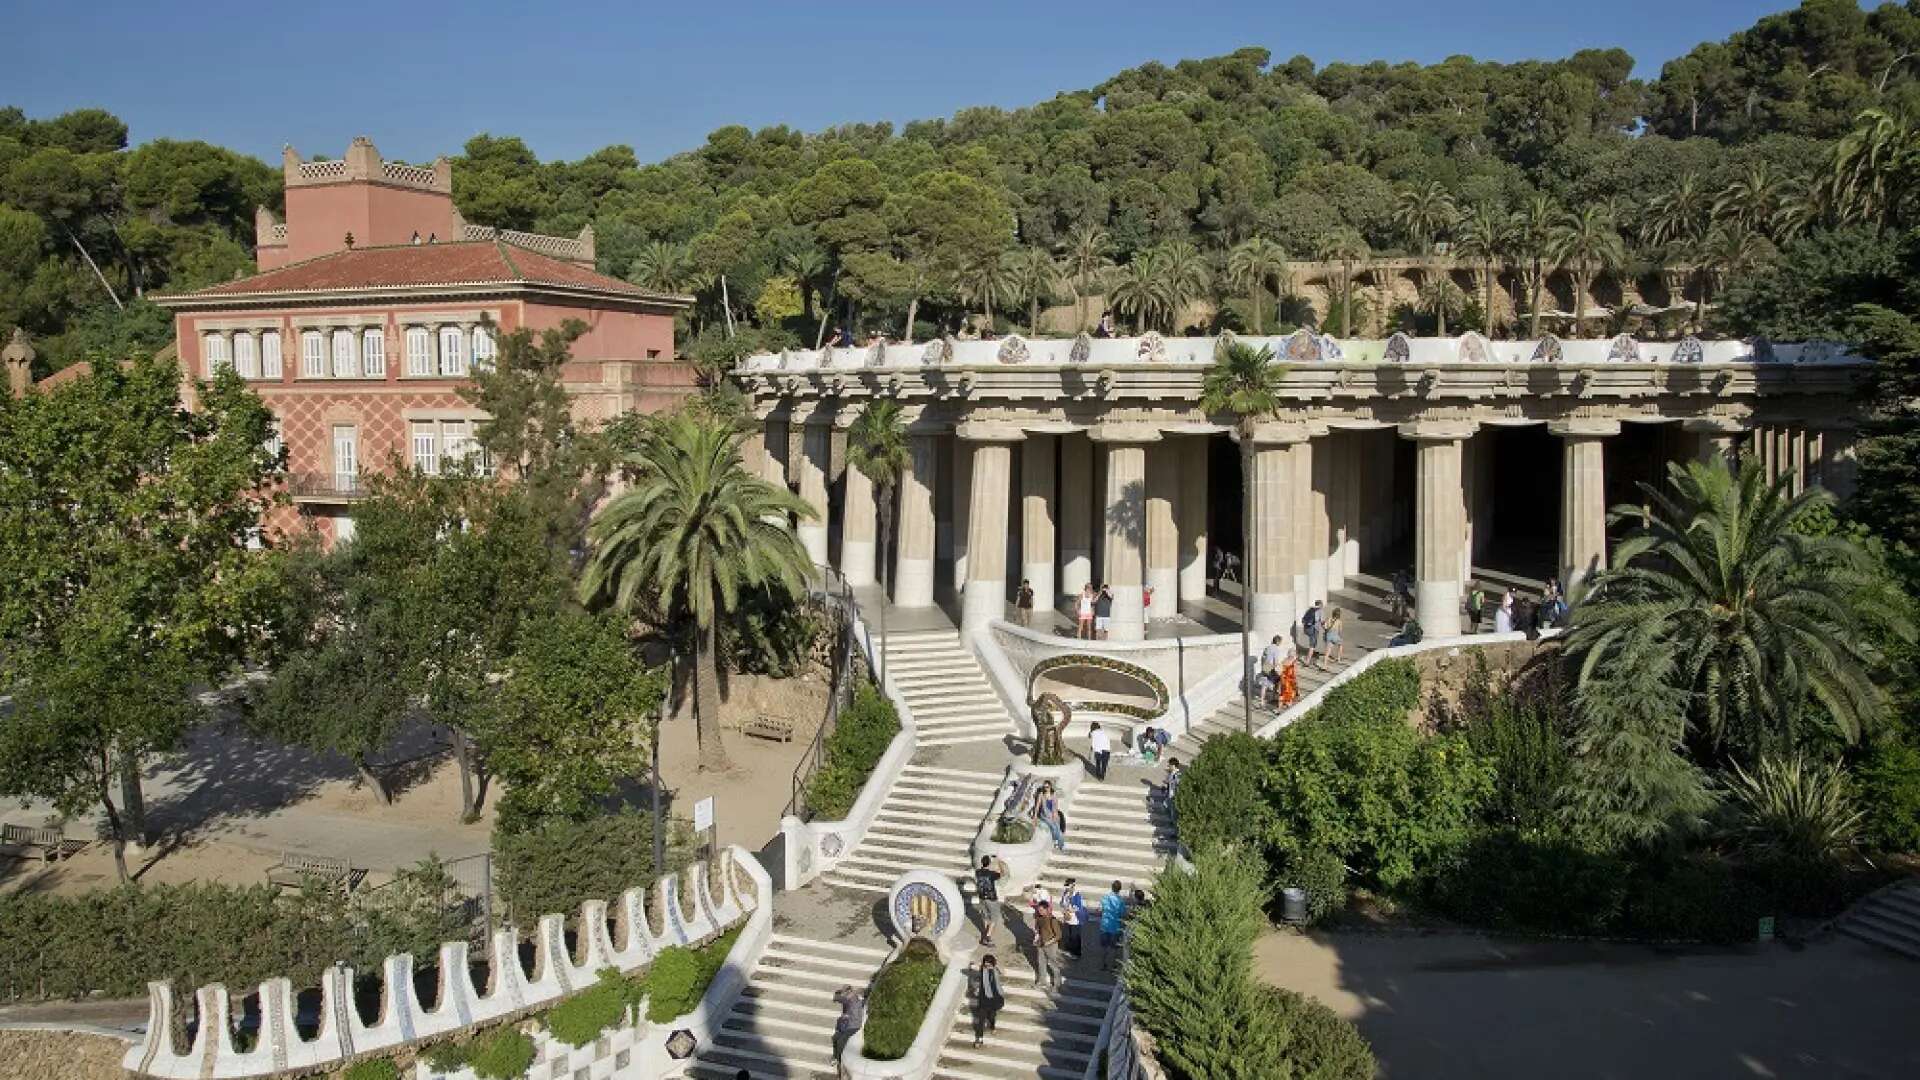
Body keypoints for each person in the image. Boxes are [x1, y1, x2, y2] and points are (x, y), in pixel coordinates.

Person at [971, 954, 1005, 1046]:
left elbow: (1001, 978)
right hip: (983, 1001)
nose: (987, 967)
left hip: (994, 1000)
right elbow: (973, 968)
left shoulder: (995, 972)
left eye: (989, 965)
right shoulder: (982, 971)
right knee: (981, 1021)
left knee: (992, 1017)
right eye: (985, 965)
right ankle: (979, 1039)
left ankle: (992, 1026)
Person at [832, 984, 866, 1064]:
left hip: (853, 1026)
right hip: (847, 1024)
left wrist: (839, 994)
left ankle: (839, 1059)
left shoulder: (852, 1000)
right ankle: (835, 1056)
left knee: (840, 1041)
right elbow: (836, 998)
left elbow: (837, 998)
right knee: (835, 1038)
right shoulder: (849, 998)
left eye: (845, 992)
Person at [1033, 904, 1065, 990]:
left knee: (1053, 964)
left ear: (1047, 909)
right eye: (1039, 910)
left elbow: (1058, 935)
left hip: (1051, 945)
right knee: (1041, 963)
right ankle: (1042, 981)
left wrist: (1049, 942)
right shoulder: (1039, 918)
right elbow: (1038, 930)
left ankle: (1057, 983)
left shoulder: (1052, 920)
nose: (1040, 911)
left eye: (1041, 910)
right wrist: (1036, 938)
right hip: (1041, 944)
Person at [974, 855, 1004, 946]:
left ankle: (986, 932)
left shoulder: (977, 872)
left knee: (986, 916)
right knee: (994, 918)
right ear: (989, 863)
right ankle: (987, 937)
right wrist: (999, 862)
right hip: (991, 898)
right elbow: (1002, 873)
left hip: (982, 897)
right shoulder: (991, 874)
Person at [1099, 881, 1129, 970]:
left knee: (1104, 947)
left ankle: (1103, 964)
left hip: (1104, 925)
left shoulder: (1105, 898)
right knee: (1114, 947)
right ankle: (1113, 965)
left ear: (1112, 887)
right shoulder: (1120, 901)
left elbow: (1101, 909)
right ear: (1120, 889)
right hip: (1115, 927)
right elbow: (1123, 914)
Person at [1059, 878, 1087, 958]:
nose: (1067, 888)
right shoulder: (1066, 893)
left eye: (1068, 886)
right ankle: (1070, 949)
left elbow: (1078, 907)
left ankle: (1077, 953)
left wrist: (1069, 909)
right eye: (1066, 886)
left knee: (1075, 936)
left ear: (1073, 886)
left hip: (1075, 919)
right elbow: (1062, 902)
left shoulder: (1077, 895)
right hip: (1068, 918)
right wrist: (1064, 908)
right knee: (1070, 934)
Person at [1259, 634, 1285, 709]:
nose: (1280, 643)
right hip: (1270, 669)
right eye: (1280, 642)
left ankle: (1261, 701)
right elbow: (1275, 662)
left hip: (1264, 668)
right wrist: (1281, 667)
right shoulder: (1275, 649)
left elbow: (1263, 658)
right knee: (1279, 680)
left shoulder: (1267, 648)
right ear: (1278, 642)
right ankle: (1273, 698)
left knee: (1264, 685)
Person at [1038, 783, 1067, 852]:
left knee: (1057, 826)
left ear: (1050, 787)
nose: (1046, 788)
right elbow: (1044, 808)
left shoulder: (1053, 795)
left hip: (1052, 813)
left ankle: (1061, 844)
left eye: (1047, 787)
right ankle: (1056, 841)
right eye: (1045, 787)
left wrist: (1054, 815)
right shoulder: (1042, 795)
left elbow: (1055, 806)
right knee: (1053, 826)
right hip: (1045, 814)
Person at [1302, 600, 1325, 666]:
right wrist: (1326, 629)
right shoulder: (1320, 611)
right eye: (1322, 605)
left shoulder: (1309, 610)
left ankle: (1311, 655)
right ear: (1320, 605)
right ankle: (1307, 661)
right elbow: (1322, 622)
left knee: (1313, 644)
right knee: (1312, 645)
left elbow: (1303, 619)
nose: (1322, 606)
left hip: (1307, 629)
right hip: (1314, 629)